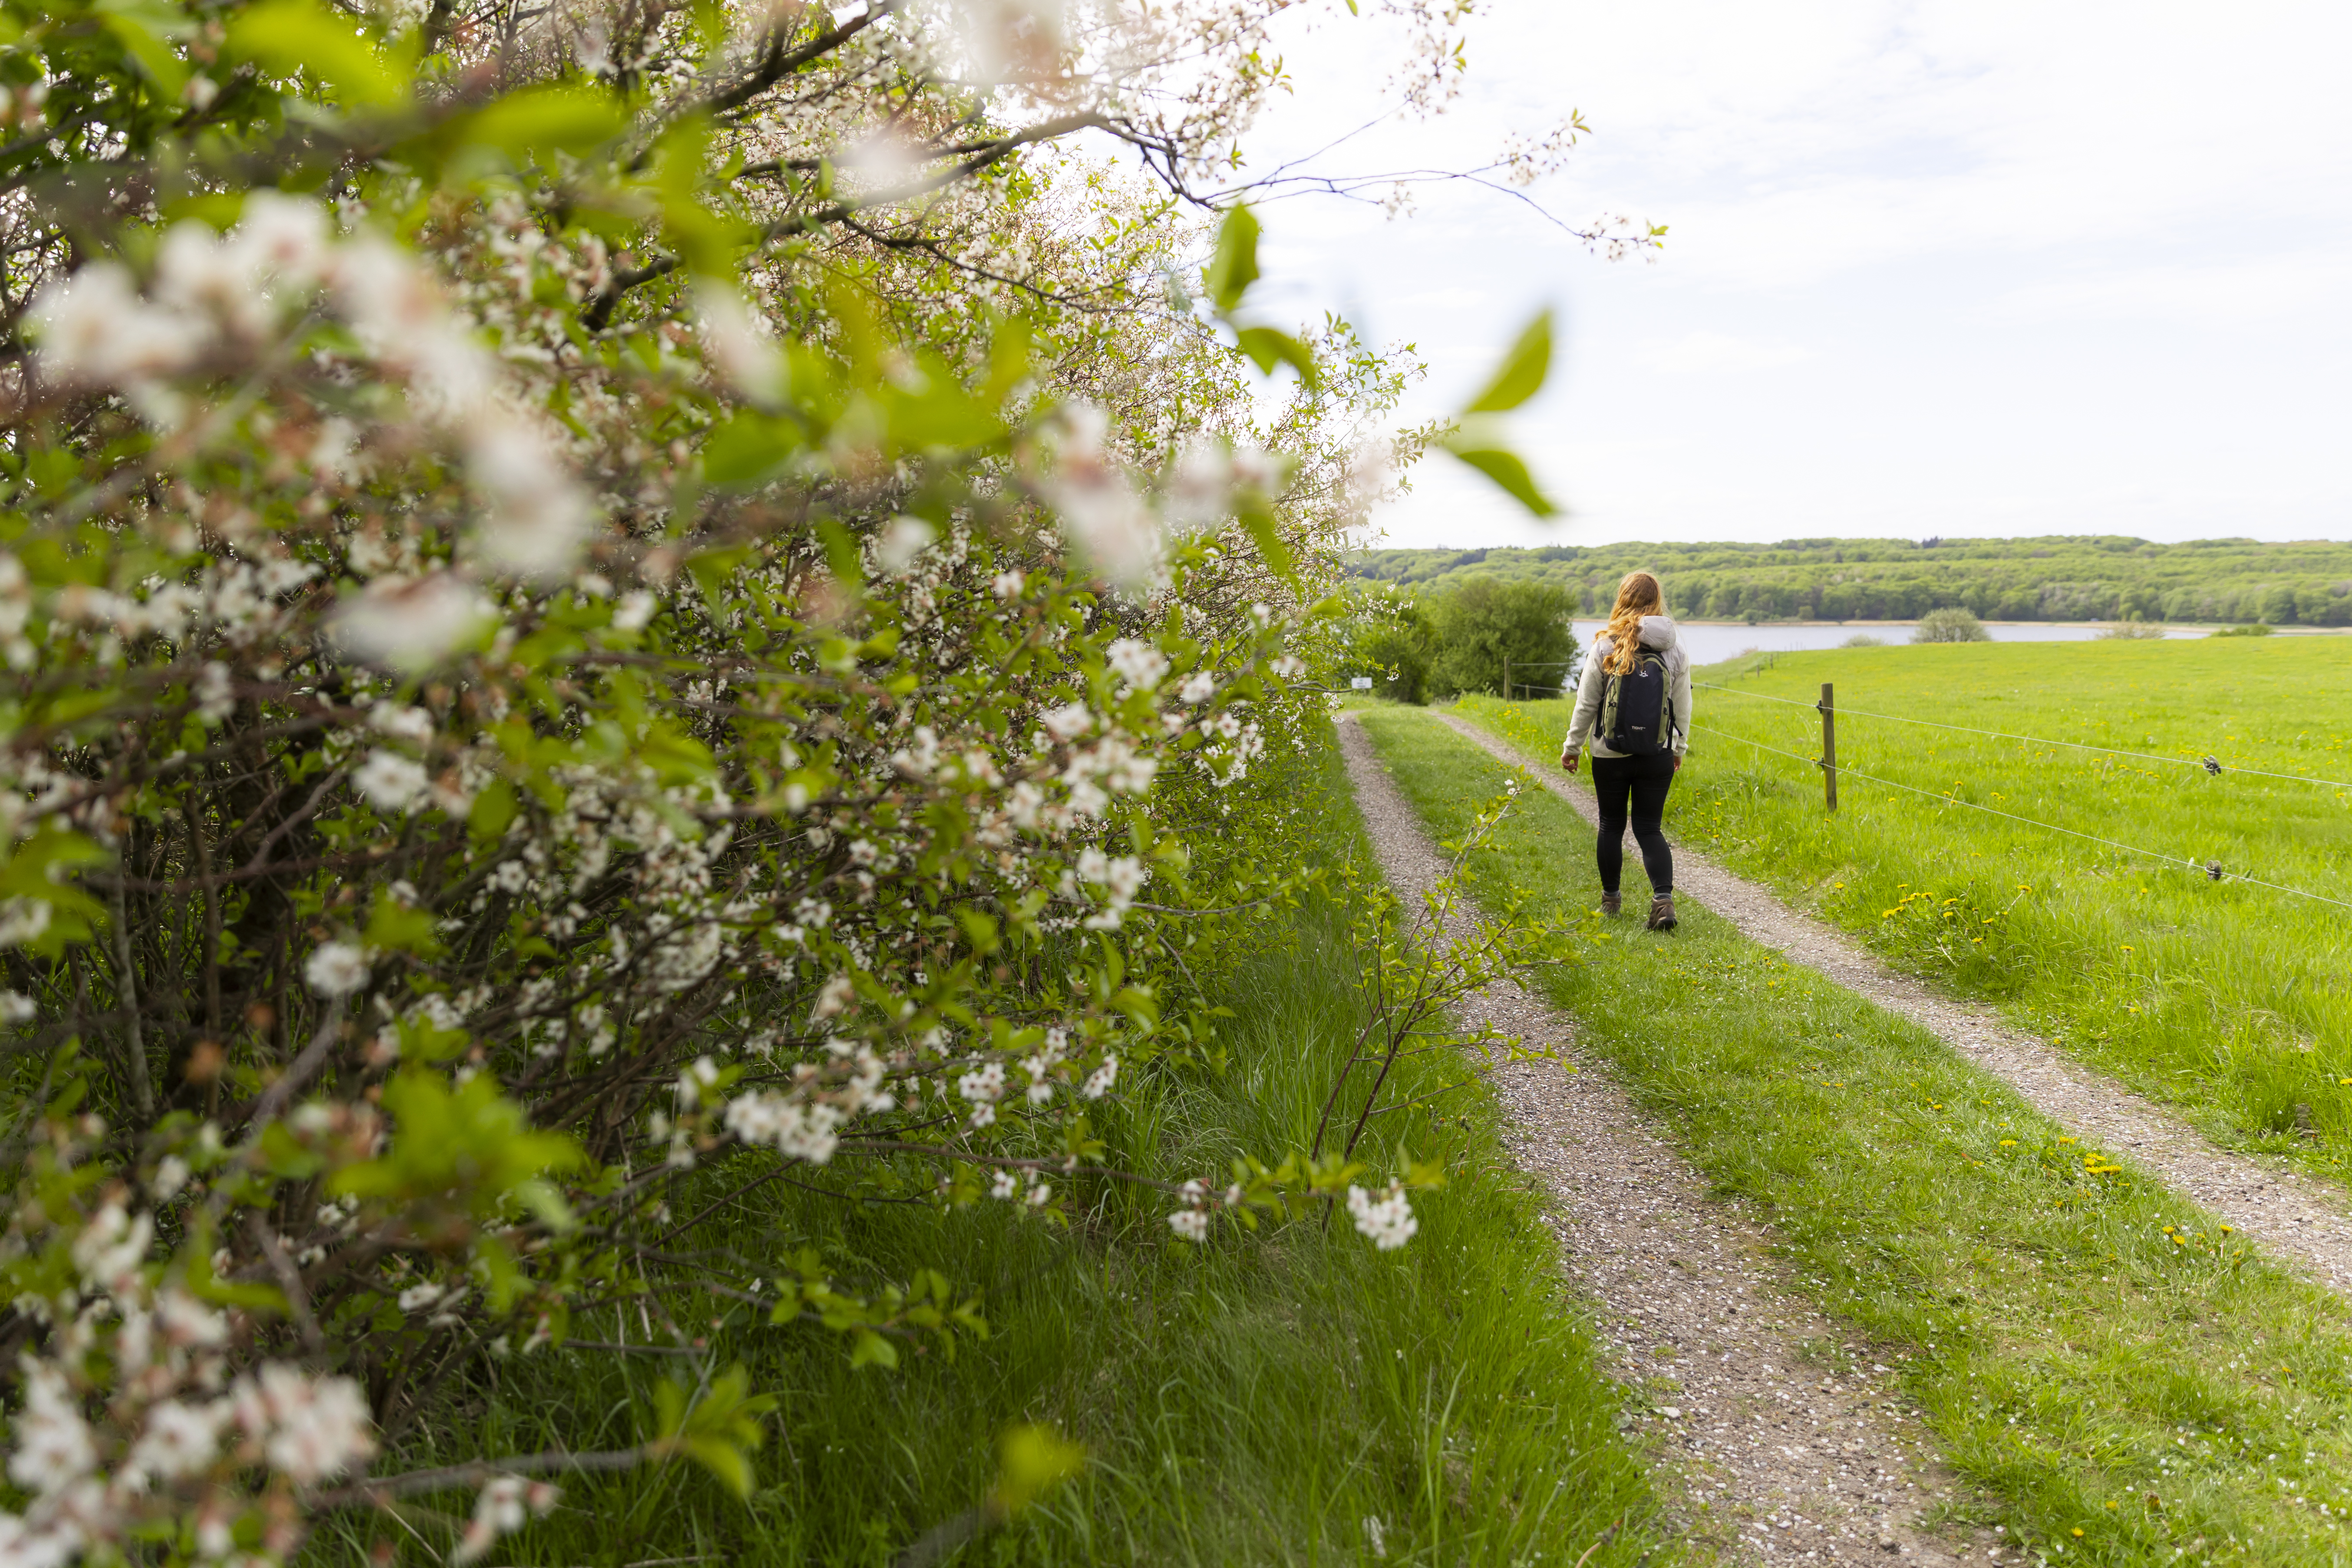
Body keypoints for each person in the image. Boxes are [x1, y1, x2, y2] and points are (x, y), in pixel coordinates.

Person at [1558, 571, 1692, 930]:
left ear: (1623, 598)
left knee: (1611, 825)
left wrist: (1572, 747)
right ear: (1657, 601)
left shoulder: (1606, 646)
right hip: (1656, 755)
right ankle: (1663, 901)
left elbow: (1586, 704)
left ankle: (1610, 901)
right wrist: (1678, 748)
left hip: (1609, 754)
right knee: (1649, 828)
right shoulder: (1675, 649)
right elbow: (1683, 706)